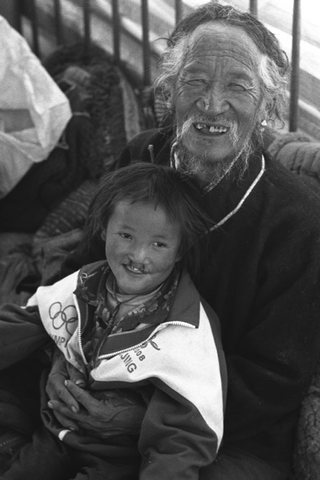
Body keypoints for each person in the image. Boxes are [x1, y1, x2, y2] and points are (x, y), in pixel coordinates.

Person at [42, 2, 320, 480]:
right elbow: (88, 270)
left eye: (238, 85)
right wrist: (63, 358)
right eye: (195, 81)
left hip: (219, 426)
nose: (212, 104)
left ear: (267, 107)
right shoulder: (142, 156)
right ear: (169, 91)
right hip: (104, 373)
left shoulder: (296, 218)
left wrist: (148, 415)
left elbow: (276, 377)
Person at [0, 163, 227, 480]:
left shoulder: (185, 329)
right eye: (126, 235)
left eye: (158, 244)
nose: (138, 255)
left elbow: (185, 432)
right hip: (55, 429)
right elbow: (24, 322)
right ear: (103, 229)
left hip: (118, 456)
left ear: (180, 251)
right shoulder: (86, 282)